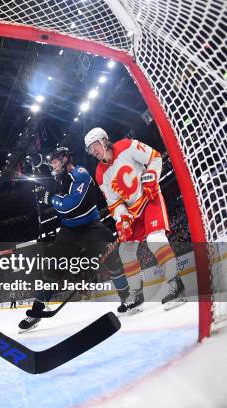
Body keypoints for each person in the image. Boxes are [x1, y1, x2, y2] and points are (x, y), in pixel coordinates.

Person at [18, 147, 128, 332]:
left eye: (55, 161)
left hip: (91, 226)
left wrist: (50, 198)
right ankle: (36, 312)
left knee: (112, 258)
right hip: (70, 230)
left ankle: (127, 297)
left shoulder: (81, 174)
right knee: (52, 267)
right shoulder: (58, 178)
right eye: (51, 163)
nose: (53, 166)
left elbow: (70, 206)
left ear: (65, 159)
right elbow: (53, 194)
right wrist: (45, 191)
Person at [84, 128, 185, 313]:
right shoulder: (99, 173)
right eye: (90, 149)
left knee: (155, 239)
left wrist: (151, 177)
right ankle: (136, 295)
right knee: (126, 251)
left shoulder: (127, 146)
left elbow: (154, 157)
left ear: (104, 140)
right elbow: (113, 202)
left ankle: (175, 284)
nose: (94, 150)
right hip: (132, 212)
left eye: (95, 145)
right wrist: (122, 218)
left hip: (149, 199)